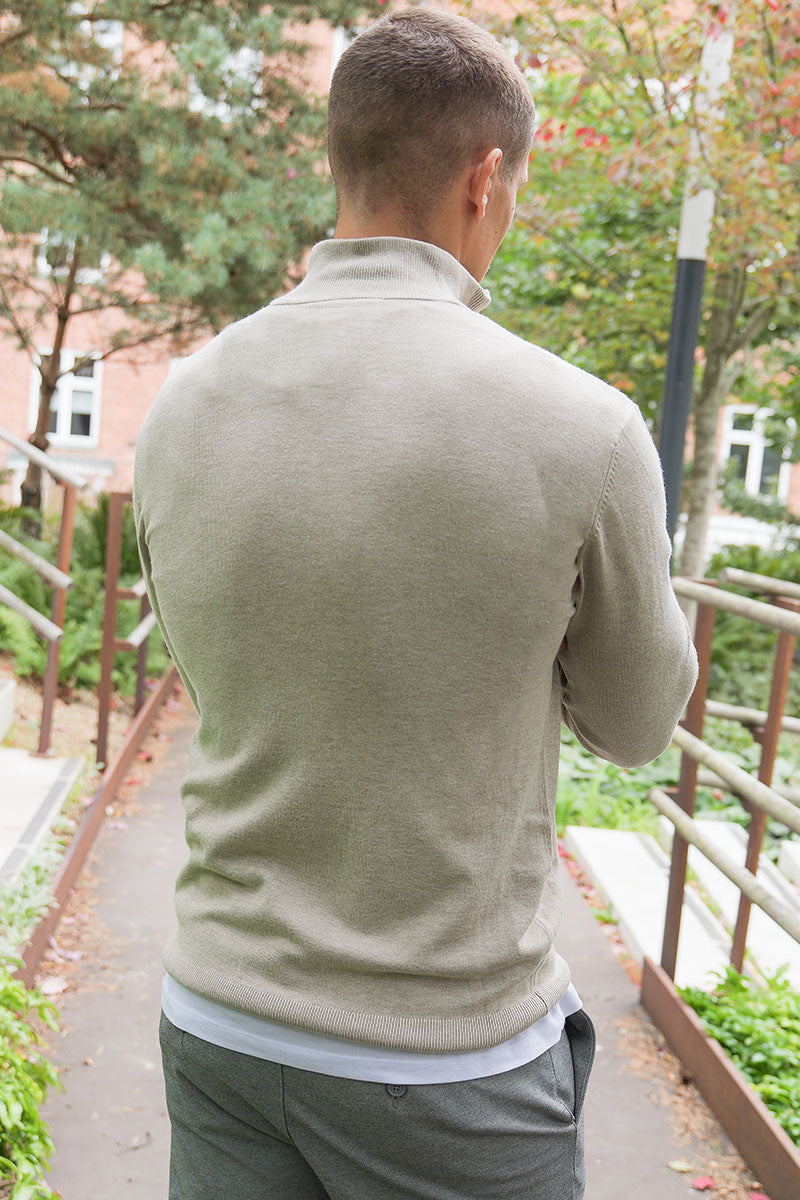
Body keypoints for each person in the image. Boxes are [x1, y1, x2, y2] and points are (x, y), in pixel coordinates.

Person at [133, 9, 698, 1199]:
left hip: (221, 1022)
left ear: (341, 158)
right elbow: (636, 722)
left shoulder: (182, 402)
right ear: (483, 179)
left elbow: (217, 661)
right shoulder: (583, 427)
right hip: (446, 1060)